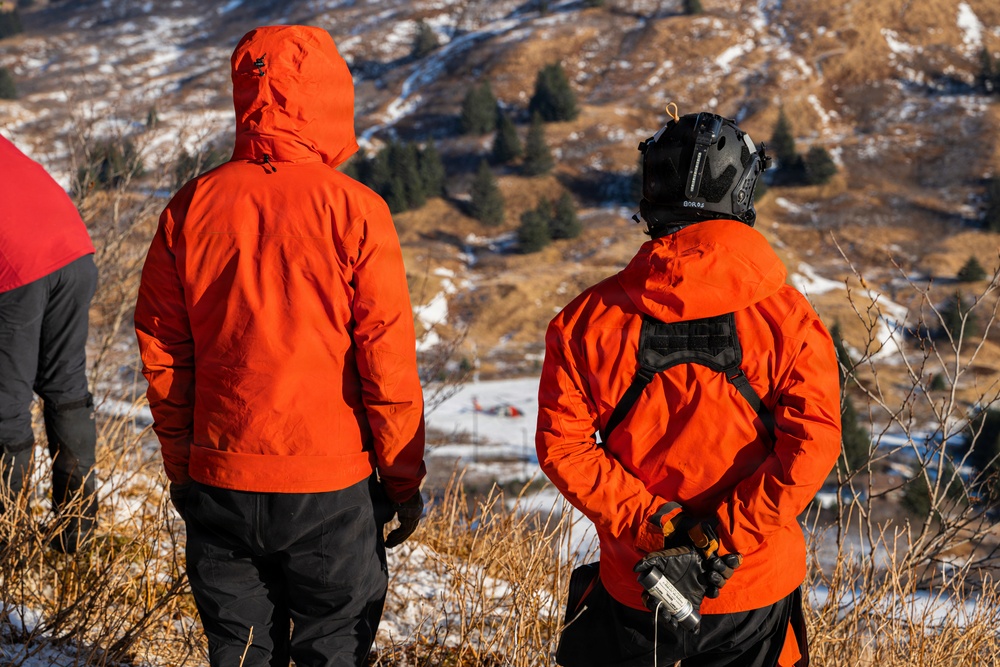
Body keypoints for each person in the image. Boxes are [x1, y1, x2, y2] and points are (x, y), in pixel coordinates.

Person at [134, 26, 426, 667]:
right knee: (335, 647)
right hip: (331, 487)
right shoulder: (355, 210)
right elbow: (386, 360)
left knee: (237, 652)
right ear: (330, 99)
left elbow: (163, 349)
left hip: (221, 477)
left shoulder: (190, 206)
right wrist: (403, 482)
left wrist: (183, 464)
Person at [536, 109, 842, 667]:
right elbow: (812, 445)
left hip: (639, 583)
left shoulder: (584, 321)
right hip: (752, 582)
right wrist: (720, 539)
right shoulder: (788, 318)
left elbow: (565, 449)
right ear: (741, 192)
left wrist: (660, 530)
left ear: (652, 192)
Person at [0, 134, 99, 555]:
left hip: (18, 265)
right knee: (66, 389)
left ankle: (7, 540)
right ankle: (76, 533)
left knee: (4, 407)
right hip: (74, 250)